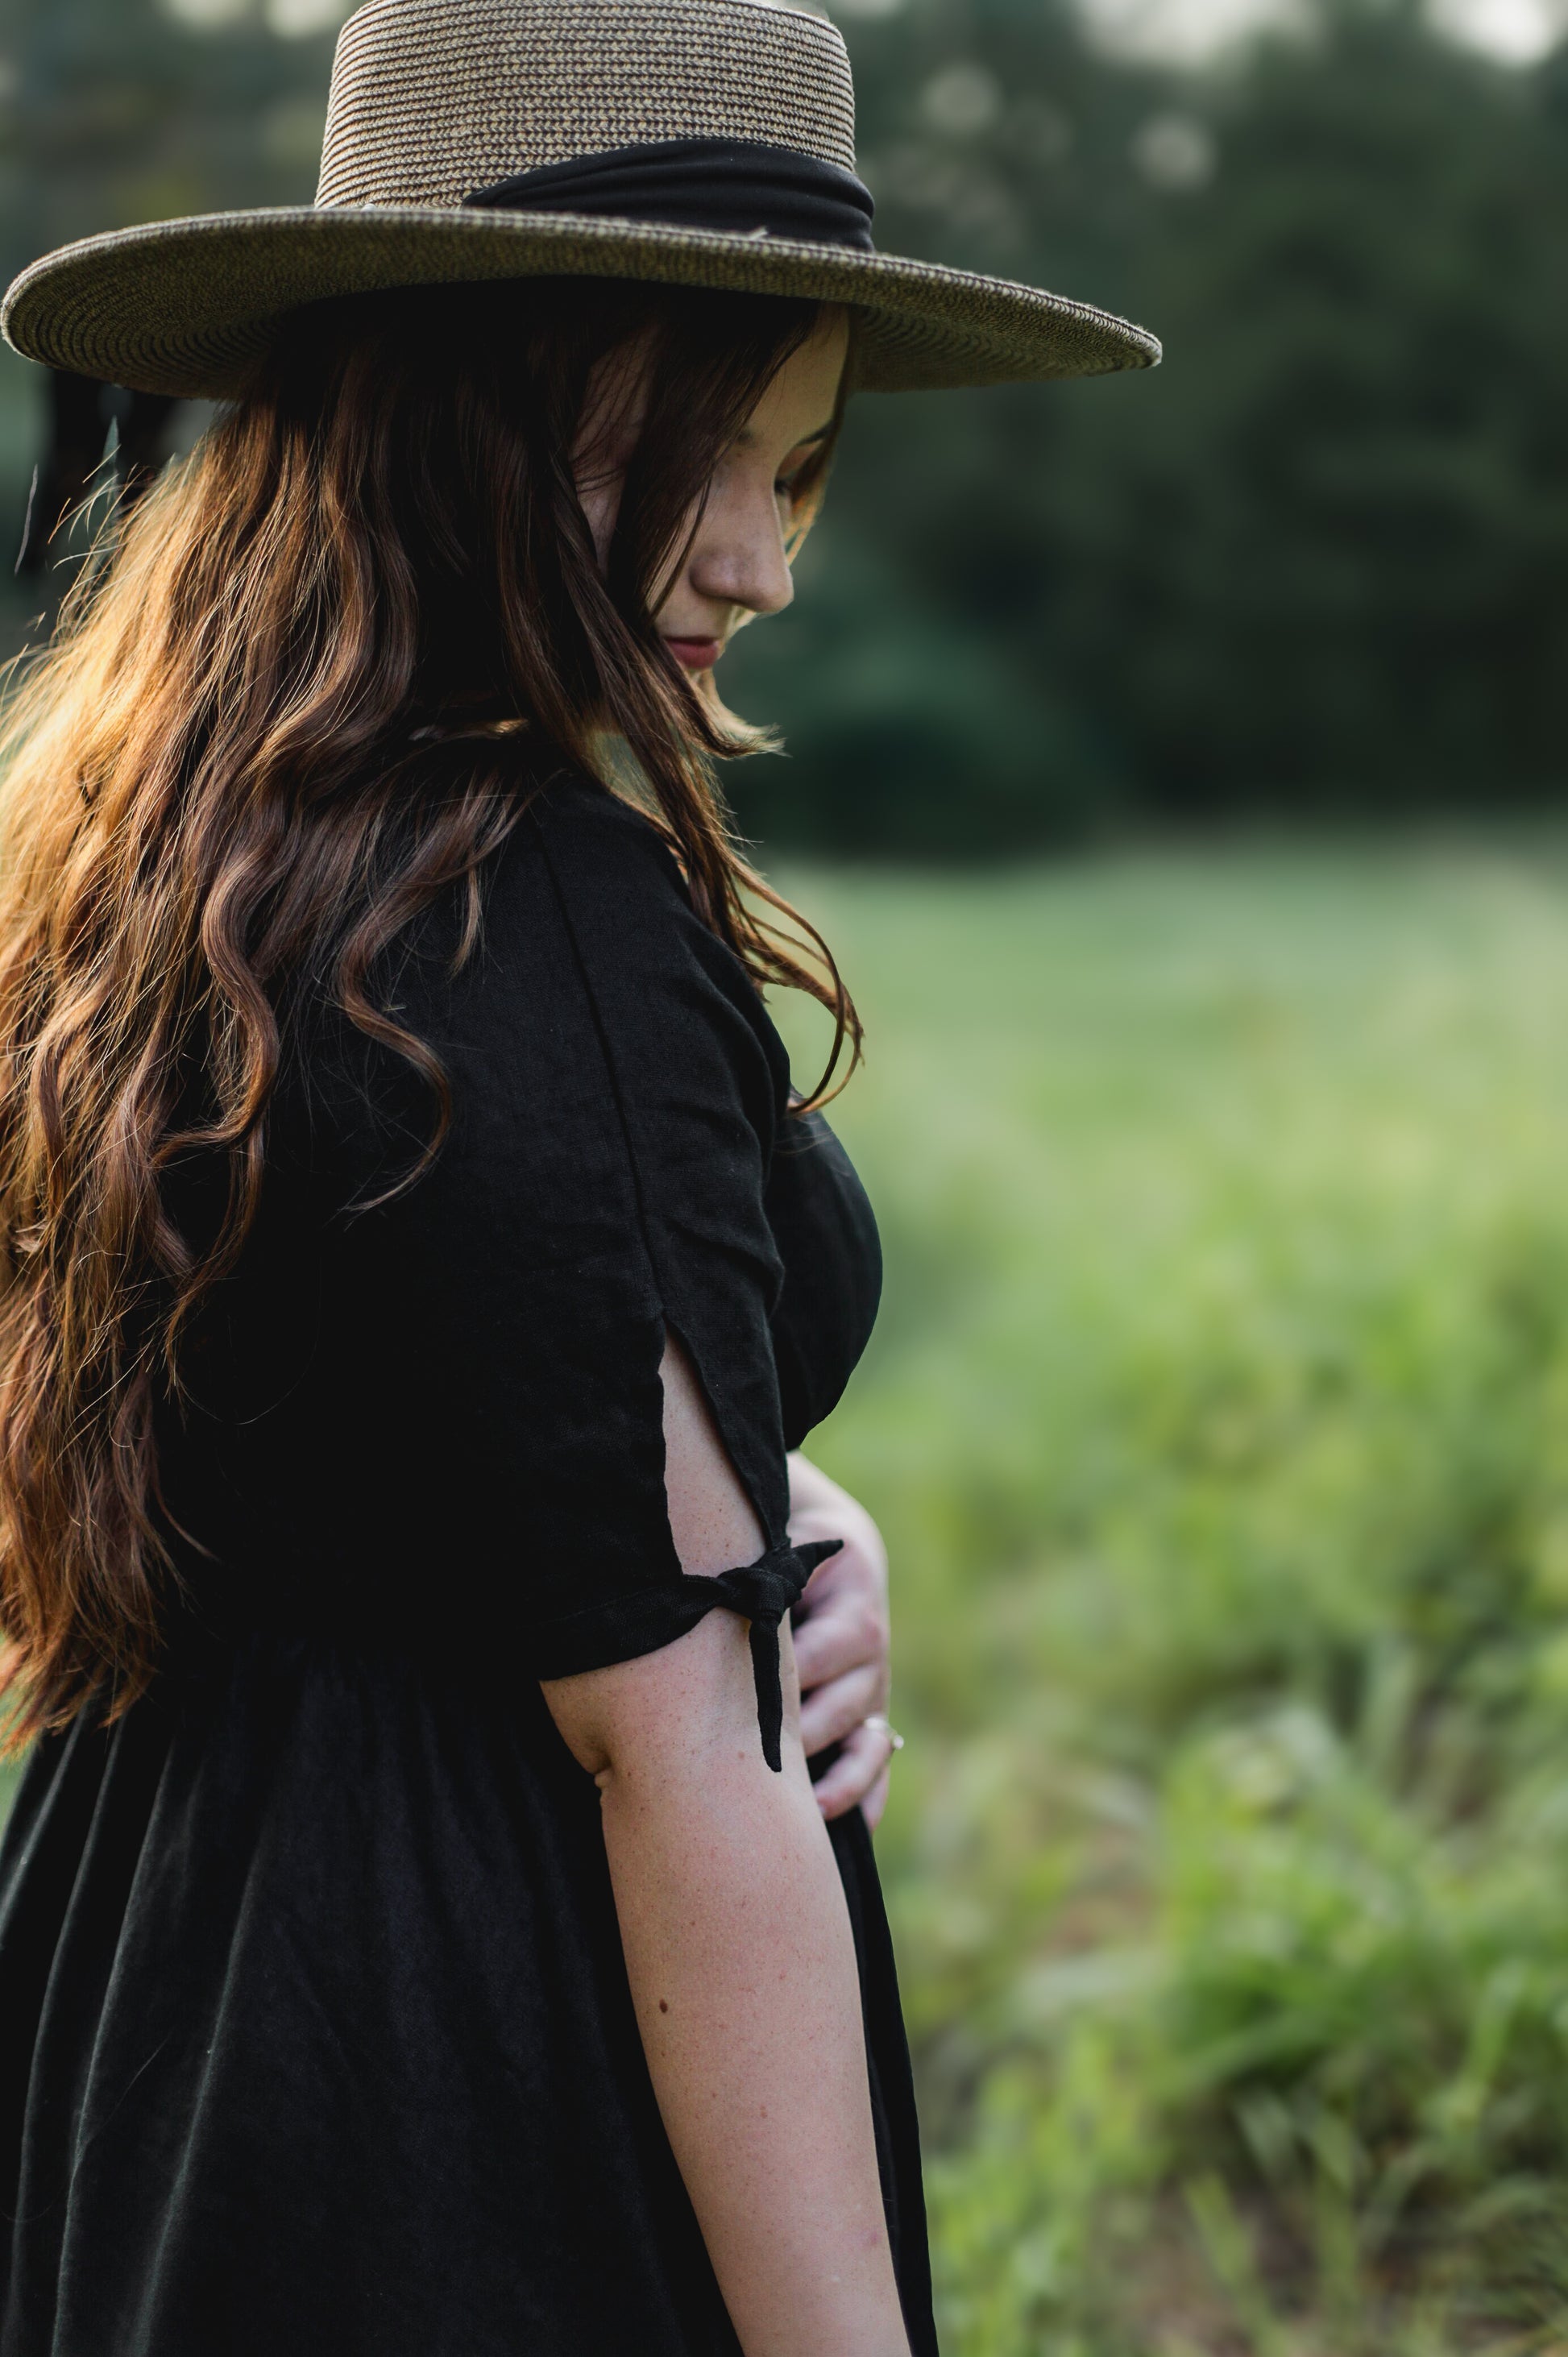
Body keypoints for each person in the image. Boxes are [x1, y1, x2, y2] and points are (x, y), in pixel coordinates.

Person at [0, 2, 1158, 2351]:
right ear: (460, 413)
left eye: (803, 471)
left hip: (142, 2006)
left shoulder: (196, 850)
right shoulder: (537, 922)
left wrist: (764, 1500)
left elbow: (377, 1403)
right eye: (679, 453)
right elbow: (681, 1769)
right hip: (457, 2077)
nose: (761, 563)